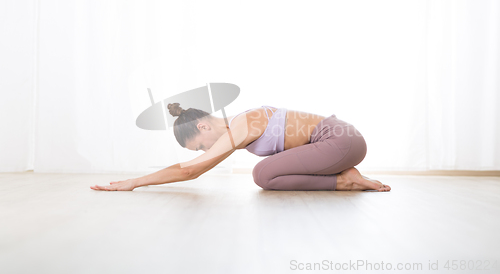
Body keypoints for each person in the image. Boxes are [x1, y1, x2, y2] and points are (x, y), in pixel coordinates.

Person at [91, 104, 391, 192]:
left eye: (199, 146)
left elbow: (192, 171)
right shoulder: (240, 125)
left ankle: (345, 179)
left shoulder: (242, 125)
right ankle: (344, 173)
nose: (204, 152)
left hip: (341, 140)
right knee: (267, 173)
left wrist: (135, 182)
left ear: (203, 127)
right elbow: (195, 168)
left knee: (263, 174)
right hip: (338, 143)